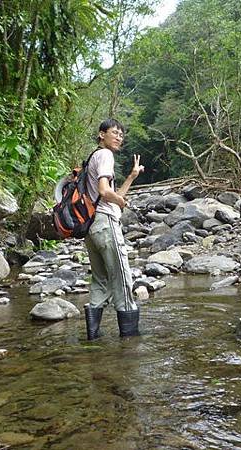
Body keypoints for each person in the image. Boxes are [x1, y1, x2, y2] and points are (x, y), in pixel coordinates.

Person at [83, 118, 144, 340]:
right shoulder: (106, 155)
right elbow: (104, 192)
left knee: (100, 280)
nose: (119, 137)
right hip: (106, 224)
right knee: (122, 279)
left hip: (91, 228)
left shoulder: (93, 157)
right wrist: (121, 202)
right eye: (114, 132)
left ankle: (93, 339)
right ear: (101, 135)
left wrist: (131, 176)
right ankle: (130, 341)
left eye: (121, 134)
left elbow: (109, 193)